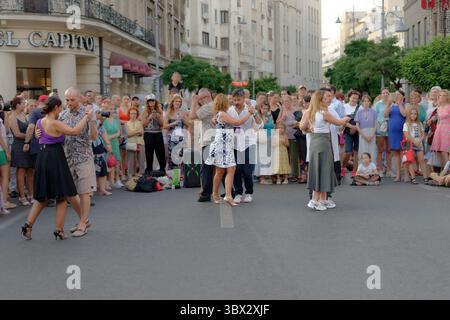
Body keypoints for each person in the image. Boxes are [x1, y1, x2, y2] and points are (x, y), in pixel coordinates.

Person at [21, 96, 92, 241]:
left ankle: (28, 225)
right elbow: (74, 131)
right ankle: (59, 230)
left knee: (41, 198)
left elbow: (38, 136)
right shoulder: (55, 123)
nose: (62, 109)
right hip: (55, 158)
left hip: (42, 157)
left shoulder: (40, 122)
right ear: (56, 108)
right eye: (60, 107)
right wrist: (86, 117)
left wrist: (36, 134)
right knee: (61, 196)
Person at [300, 89, 350, 211]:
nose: (329, 98)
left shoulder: (309, 112)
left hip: (315, 141)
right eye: (327, 96)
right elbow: (338, 123)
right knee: (322, 169)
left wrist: (311, 130)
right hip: (323, 142)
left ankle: (322, 199)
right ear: (321, 99)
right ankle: (314, 200)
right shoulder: (324, 113)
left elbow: (302, 126)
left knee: (320, 168)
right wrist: (347, 118)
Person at [59, 88, 98, 237]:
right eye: (67, 100)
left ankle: (82, 223)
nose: (69, 103)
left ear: (79, 99)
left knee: (84, 192)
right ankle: (84, 219)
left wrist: (92, 120)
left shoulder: (87, 113)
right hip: (67, 156)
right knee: (70, 192)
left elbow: (94, 137)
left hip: (84, 157)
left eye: (72, 100)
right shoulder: (63, 114)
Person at [205, 94, 252, 206]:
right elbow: (237, 123)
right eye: (228, 100)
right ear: (223, 102)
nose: (230, 102)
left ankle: (223, 195)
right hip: (222, 145)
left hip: (226, 145)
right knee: (225, 170)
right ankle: (222, 195)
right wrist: (249, 113)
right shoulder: (222, 114)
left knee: (225, 170)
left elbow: (230, 126)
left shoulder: (220, 114)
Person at [229, 89, 263, 204]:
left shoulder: (249, 110)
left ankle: (249, 192)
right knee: (237, 169)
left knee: (248, 171)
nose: (236, 102)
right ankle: (238, 193)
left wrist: (254, 113)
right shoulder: (230, 110)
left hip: (249, 143)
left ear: (244, 99)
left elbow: (259, 125)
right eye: (234, 100)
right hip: (235, 144)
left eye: (238, 99)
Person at [189, 88, 214, 202]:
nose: (199, 101)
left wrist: (193, 102)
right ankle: (229, 192)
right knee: (218, 169)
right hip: (213, 139)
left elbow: (192, 116)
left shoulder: (208, 106)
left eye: (199, 98)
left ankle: (206, 194)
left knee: (206, 169)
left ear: (205, 97)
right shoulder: (213, 105)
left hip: (209, 141)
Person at [9, 96, 34, 206]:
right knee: (21, 170)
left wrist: (29, 138)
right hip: (19, 146)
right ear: (17, 105)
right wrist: (29, 136)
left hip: (28, 144)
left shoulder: (25, 115)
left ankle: (31, 194)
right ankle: (22, 196)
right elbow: (17, 134)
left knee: (30, 171)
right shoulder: (12, 116)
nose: (25, 105)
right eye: (23, 103)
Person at [385, 90, 407, 182]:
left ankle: (406, 174)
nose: (397, 96)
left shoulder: (406, 104)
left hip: (403, 132)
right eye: (396, 94)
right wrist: (389, 104)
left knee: (404, 153)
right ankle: (398, 175)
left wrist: (400, 104)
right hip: (392, 132)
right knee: (395, 153)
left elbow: (404, 114)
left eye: (399, 94)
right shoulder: (392, 105)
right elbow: (385, 114)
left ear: (403, 96)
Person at [403, 108, 429, 184]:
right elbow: (406, 135)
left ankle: (425, 177)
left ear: (417, 115)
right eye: (411, 113)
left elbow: (422, 134)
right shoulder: (406, 124)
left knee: (422, 160)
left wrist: (419, 140)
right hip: (408, 144)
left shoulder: (419, 123)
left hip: (419, 143)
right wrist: (414, 141)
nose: (413, 115)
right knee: (410, 161)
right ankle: (413, 177)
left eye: (415, 114)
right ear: (409, 115)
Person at [141, 94, 165, 173]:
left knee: (160, 151)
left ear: (155, 101)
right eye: (149, 101)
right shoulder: (144, 111)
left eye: (153, 100)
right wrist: (149, 117)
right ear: (147, 102)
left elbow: (162, 124)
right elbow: (143, 124)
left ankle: (162, 169)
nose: (151, 102)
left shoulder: (159, 110)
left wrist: (158, 117)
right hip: (148, 133)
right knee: (149, 152)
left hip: (158, 132)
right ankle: (149, 169)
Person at [164, 94, 189, 170]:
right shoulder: (168, 113)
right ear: (173, 102)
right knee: (172, 157)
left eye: (179, 101)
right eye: (176, 101)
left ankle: (179, 177)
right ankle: (173, 178)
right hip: (171, 138)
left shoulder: (182, 113)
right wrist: (173, 123)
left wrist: (183, 119)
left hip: (180, 138)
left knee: (180, 156)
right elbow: (164, 126)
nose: (178, 103)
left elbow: (187, 125)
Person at [278, 95, 299, 182]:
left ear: (291, 101)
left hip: (293, 135)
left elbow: (299, 122)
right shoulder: (282, 111)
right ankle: (285, 173)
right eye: (284, 101)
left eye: (288, 101)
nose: (286, 103)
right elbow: (278, 123)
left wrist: (293, 124)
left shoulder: (296, 110)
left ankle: (294, 174)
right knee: (285, 156)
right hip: (284, 136)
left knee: (294, 156)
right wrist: (282, 120)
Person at [102, 101, 123, 188]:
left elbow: (119, 132)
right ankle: (107, 181)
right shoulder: (103, 120)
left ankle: (117, 179)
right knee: (106, 161)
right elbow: (102, 132)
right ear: (107, 110)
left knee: (117, 161)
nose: (112, 110)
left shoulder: (116, 121)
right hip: (105, 143)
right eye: (110, 109)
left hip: (114, 142)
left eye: (113, 109)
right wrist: (107, 139)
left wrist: (110, 137)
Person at [92, 110, 113, 196]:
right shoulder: (87, 121)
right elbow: (92, 134)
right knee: (91, 169)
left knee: (102, 167)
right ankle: (90, 191)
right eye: (97, 112)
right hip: (89, 147)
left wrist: (108, 144)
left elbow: (103, 133)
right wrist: (100, 123)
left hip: (98, 145)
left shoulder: (99, 122)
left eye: (99, 112)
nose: (99, 114)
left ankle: (102, 189)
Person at [342, 90, 361, 178]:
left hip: (358, 131)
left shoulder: (360, 108)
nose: (354, 100)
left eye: (356, 98)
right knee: (348, 151)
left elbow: (362, 121)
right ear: (349, 97)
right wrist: (351, 127)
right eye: (353, 98)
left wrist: (356, 128)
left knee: (357, 151)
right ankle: (343, 167)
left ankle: (355, 170)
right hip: (348, 131)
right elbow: (341, 120)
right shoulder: (344, 107)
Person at [374, 88, 392, 176]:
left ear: (389, 95)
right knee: (380, 150)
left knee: (389, 150)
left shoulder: (392, 104)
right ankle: (379, 169)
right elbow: (375, 117)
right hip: (380, 129)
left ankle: (388, 170)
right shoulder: (378, 104)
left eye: (387, 93)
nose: (385, 94)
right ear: (381, 94)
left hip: (390, 128)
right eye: (383, 93)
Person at [256, 102, 275, 184]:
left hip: (269, 137)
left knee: (269, 157)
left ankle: (268, 175)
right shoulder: (257, 116)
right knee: (261, 158)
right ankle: (261, 177)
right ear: (260, 108)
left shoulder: (269, 116)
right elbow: (258, 126)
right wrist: (264, 123)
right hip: (261, 138)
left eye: (267, 108)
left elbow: (273, 125)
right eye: (264, 108)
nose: (265, 110)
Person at [430, 89, 450, 168]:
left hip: (447, 130)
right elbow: (438, 121)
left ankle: (447, 173)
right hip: (439, 130)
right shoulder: (439, 107)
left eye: (443, 95)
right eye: (440, 95)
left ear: (447, 97)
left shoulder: (449, 107)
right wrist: (433, 131)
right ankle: (444, 171)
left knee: (445, 151)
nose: (441, 97)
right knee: (440, 151)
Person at [355, 95, 377, 163]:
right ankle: (363, 169)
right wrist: (364, 136)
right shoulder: (359, 112)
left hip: (371, 133)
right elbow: (357, 126)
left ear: (370, 102)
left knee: (372, 151)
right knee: (363, 150)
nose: (366, 102)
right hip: (362, 133)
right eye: (364, 101)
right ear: (362, 102)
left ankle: (372, 168)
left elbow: (376, 125)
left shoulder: (373, 112)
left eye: (368, 101)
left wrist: (372, 135)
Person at [125, 106, 145, 179]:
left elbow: (142, 133)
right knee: (131, 160)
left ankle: (141, 174)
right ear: (129, 114)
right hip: (131, 143)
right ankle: (130, 175)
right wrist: (137, 132)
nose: (133, 115)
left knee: (141, 160)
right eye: (131, 113)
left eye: (134, 113)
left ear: (137, 114)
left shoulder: (139, 122)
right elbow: (128, 134)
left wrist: (133, 132)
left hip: (140, 143)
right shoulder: (127, 123)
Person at [0, 113, 15, 210]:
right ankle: (4, 201)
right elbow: (2, 134)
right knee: (5, 176)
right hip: (1, 150)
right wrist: (7, 151)